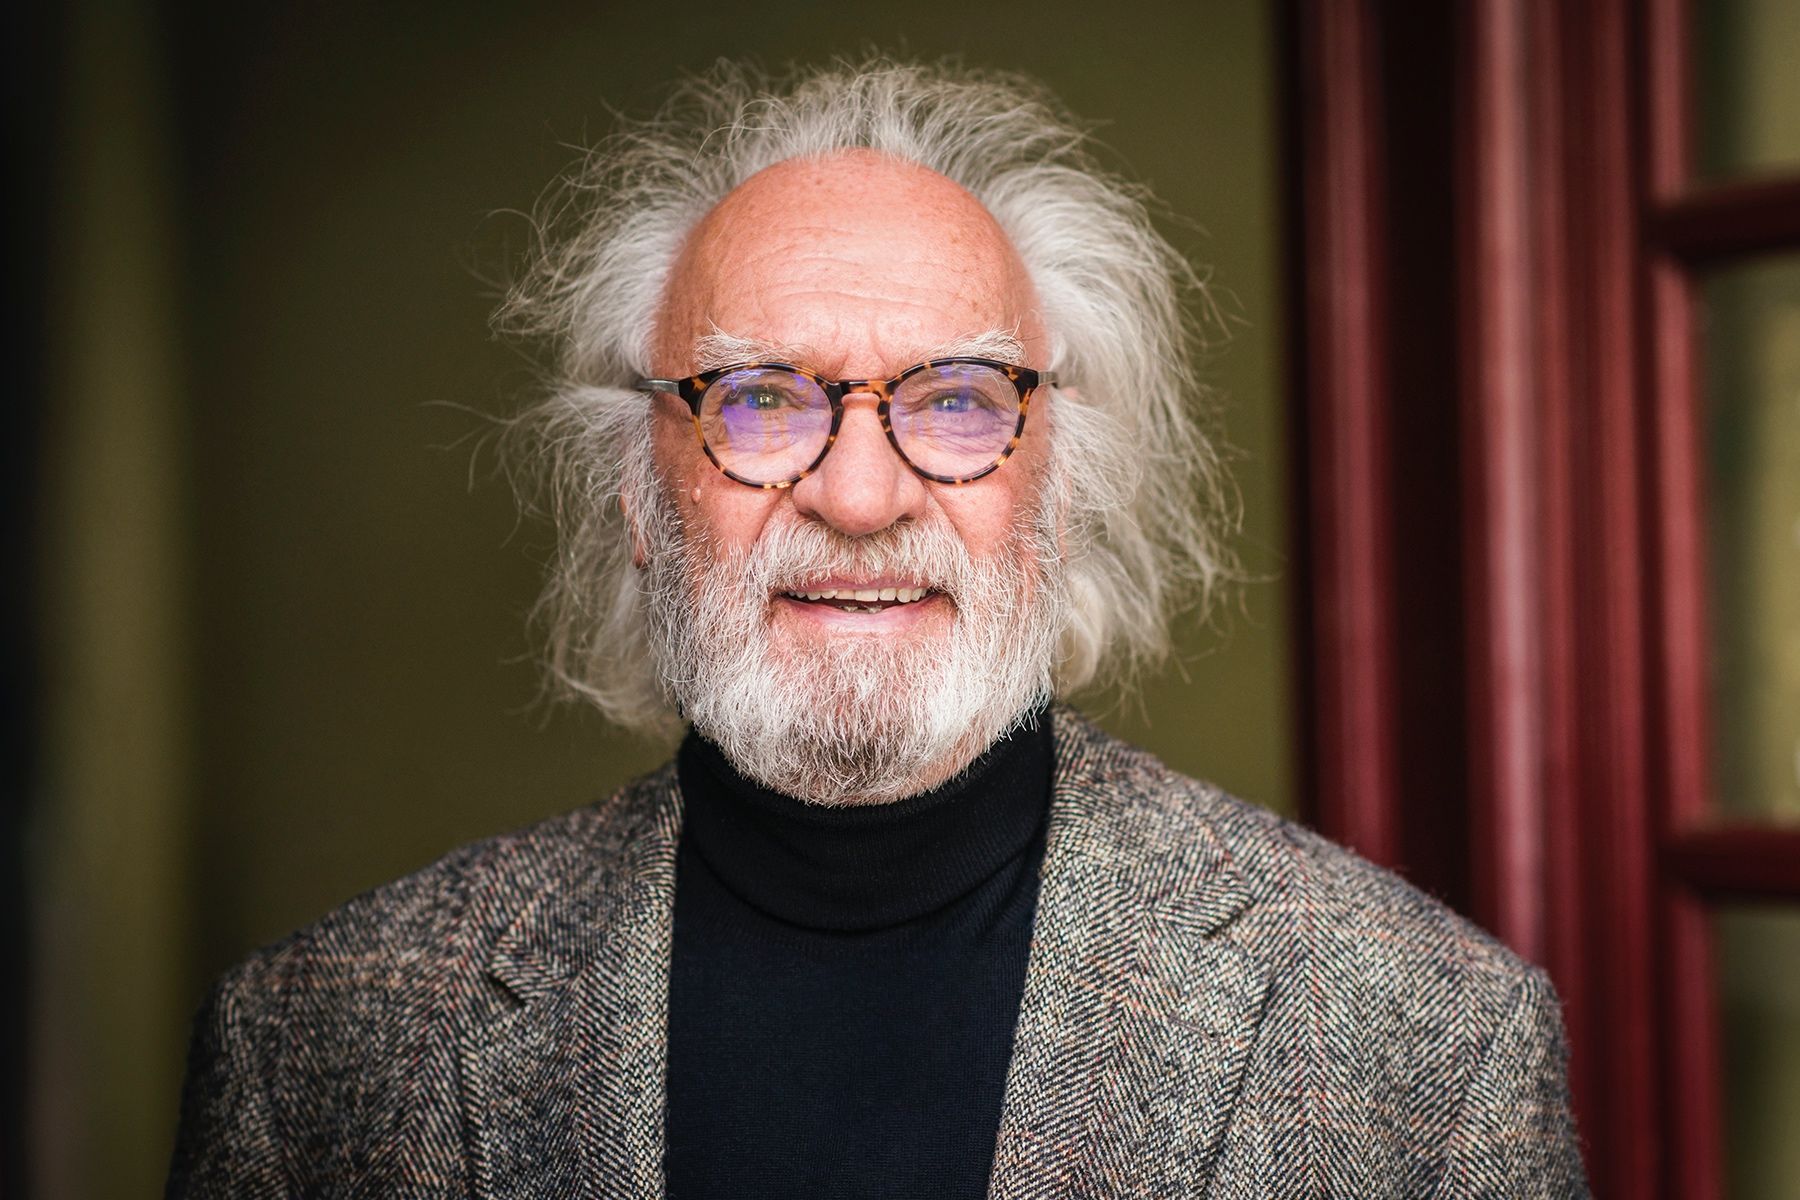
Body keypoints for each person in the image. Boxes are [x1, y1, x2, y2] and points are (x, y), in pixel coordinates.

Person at [167, 60, 1590, 1198]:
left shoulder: (1429, 1048)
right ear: (638, 492)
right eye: (759, 401)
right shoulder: (318, 1052)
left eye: (959, 401)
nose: (859, 497)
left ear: (1063, 483)